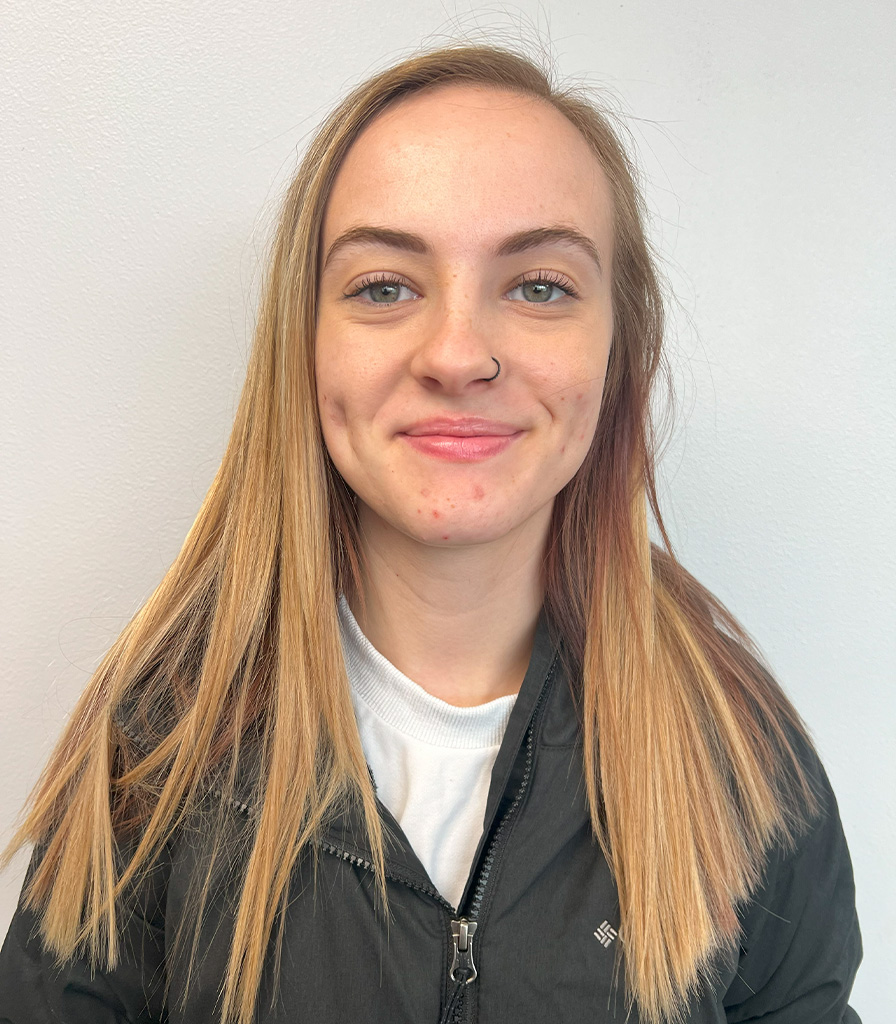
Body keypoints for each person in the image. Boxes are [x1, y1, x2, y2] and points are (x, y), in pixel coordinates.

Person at [0, 43, 861, 1024]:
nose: (456, 354)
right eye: (382, 286)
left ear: (620, 348)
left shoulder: (741, 757)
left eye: (538, 285)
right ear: (304, 344)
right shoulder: (155, 746)